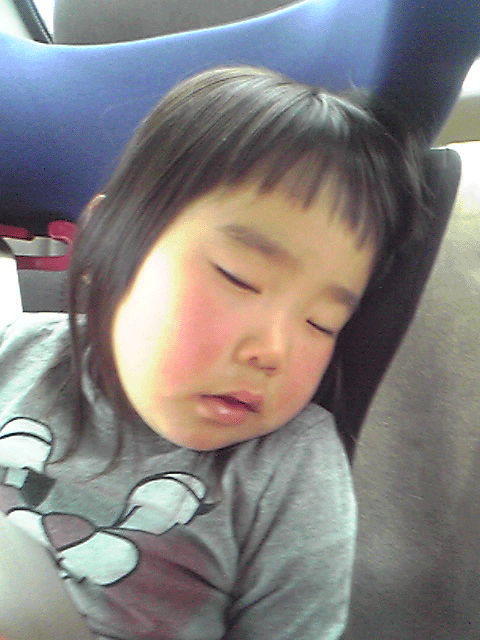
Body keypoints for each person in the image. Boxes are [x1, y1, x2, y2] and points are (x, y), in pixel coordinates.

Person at [0, 66, 428, 639]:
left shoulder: (286, 472)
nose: (273, 351)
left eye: (321, 323)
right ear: (104, 242)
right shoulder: (12, 353)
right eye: (239, 277)